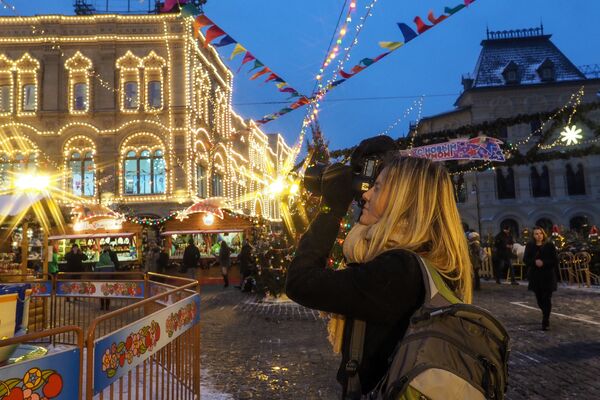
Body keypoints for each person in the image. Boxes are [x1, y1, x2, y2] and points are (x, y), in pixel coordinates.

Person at [285, 142, 472, 399]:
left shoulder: (398, 272)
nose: (366, 194)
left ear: (403, 201)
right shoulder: (431, 259)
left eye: (378, 187)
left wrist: (331, 208)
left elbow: (300, 281)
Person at [523, 226, 558, 331]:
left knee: (547, 298)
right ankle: (545, 312)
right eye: (536, 234)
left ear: (544, 234)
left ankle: (545, 321)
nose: (539, 236)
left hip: (548, 276)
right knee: (539, 299)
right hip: (536, 276)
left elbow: (555, 260)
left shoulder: (549, 245)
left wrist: (544, 263)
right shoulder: (530, 246)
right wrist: (534, 262)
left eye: (540, 233)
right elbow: (526, 259)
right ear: (533, 235)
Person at [96, 246, 116, 311]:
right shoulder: (111, 263)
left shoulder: (98, 264)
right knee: (108, 293)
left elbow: (96, 273)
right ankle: (107, 306)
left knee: (101, 293)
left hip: (101, 281)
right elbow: (114, 272)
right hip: (109, 280)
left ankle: (102, 306)